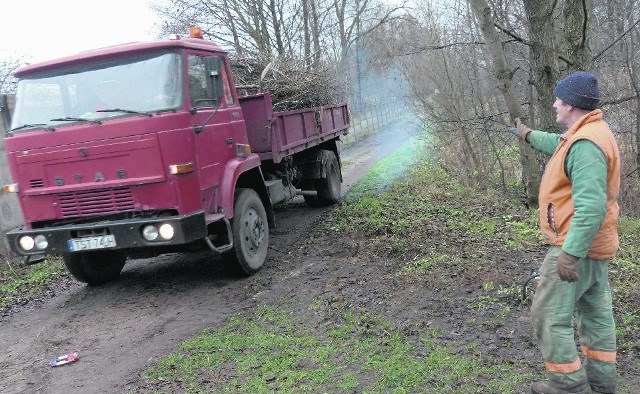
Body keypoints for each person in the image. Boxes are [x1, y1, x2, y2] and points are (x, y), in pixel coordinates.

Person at [513, 71, 620, 394]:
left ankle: (568, 387)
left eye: (559, 99)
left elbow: (590, 208)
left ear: (572, 104)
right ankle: (602, 387)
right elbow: (559, 145)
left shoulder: (586, 145)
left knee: (548, 315)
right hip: (595, 247)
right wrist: (528, 134)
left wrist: (570, 255)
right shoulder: (588, 133)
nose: (555, 103)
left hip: (576, 247)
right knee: (596, 318)